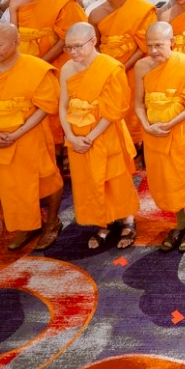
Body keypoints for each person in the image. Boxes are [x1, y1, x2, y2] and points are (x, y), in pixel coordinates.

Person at [0, 23, 64, 251]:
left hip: (31, 133)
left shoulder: (36, 68)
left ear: (16, 42)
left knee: (47, 179)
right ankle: (29, 223)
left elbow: (46, 107)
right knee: (12, 185)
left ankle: (52, 222)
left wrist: (17, 133)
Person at [135, 21, 185, 254]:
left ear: (171, 42)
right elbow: (138, 103)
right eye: (149, 45)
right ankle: (180, 220)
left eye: (159, 45)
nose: (153, 51)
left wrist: (169, 124)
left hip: (181, 129)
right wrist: (146, 126)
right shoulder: (142, 66)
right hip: (154, 133)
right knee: (166, 178)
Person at [59, 20, 140, 250]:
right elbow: (63, 105)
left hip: (104, 132)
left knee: (115, 178)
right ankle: (104, 221)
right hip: (76, 135)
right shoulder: (66, 68)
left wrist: (90, 137)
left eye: (78, 46)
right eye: (69, 47)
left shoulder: (111, 68)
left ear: (93, 41)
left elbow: (114, 110)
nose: (73, 52)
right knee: (89, 181)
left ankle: (128, 220)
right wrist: (70, 136)